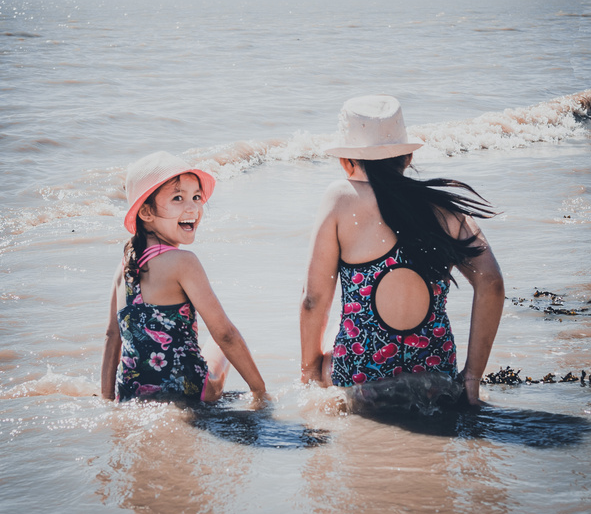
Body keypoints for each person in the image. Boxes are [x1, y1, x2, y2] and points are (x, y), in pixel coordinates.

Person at [299, 95, 504, 406]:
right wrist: (472, 376)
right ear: (406, 159)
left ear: (345, 161)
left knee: (330, 342)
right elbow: (491, 282)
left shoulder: (340, 198)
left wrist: (310, 376)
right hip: (435, 376)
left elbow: (314, 300)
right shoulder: (443, 208)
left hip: (363, 378)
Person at [101, 150, 267, 405]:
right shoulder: (184, 262)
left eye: (196, 197)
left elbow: (113, 336)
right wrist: (261, 393)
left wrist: (106, 397)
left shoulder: (125, 264)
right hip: (189, 392)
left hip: (132, 393)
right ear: (146, 213)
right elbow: (225, 334)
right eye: (178, 198)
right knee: (221, 343)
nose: (193, 207)